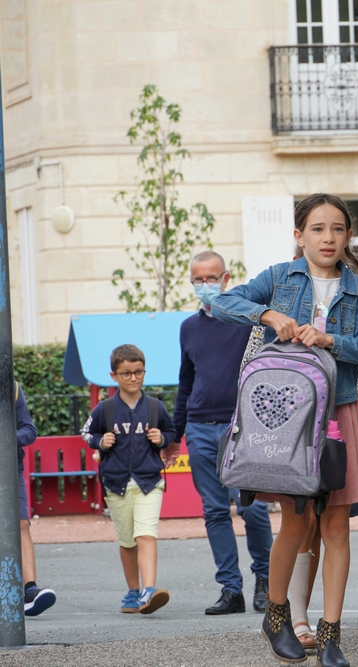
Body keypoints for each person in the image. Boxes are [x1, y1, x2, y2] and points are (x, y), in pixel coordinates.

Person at [213, 192, 358, 667]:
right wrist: (267, 314)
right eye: (317, 228)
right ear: (299, 235)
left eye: (336, 228)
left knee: (336, 528)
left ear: (348, 235)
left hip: (341, 412)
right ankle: (277, 616)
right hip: (289, 416)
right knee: (295, 523)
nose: (327, 237)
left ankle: (331, 635)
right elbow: (216, 298)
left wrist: (332, 340)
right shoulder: (278, 277)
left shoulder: (356, 287)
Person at [168, 250, 273, 616]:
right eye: (198, 280)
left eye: (212, 278)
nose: (206, 286)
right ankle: (231, 589)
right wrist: (174, 434)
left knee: (253, 508)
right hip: (199, 427)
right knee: (214, 512)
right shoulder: (188, 328)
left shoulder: (249, 323)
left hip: (242, 427)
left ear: (226, 279)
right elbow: (185, 383)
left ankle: (266, 580)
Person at [82, 344, 177, 614]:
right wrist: (101, 441)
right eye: (126, 373)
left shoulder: (156, 407)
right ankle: (133, 592)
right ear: (114, 376)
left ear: (144, 372)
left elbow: (171, 433)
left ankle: (149, 589)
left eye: (138, 372)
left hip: (150, 482)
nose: (133, 378)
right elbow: (86, 433)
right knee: (127, 541)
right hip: (116, 484)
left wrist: (162, 438)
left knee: (146, 533)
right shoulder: (105, 409)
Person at [14, 382, 56, 617]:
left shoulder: (12, 388)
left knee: (22, 524)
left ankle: (30, 590)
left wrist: (7, 437)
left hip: (10, 467)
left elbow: (29, 429)